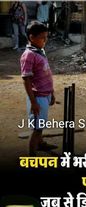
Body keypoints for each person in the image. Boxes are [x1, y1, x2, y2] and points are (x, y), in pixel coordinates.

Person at [20, 21, 57, 156]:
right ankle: (32, 155)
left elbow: (46, 73)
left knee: (40, 125)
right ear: (31, 37)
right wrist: (34, 102)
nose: (45, 40)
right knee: (37, 128)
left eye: (46, 37)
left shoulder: (39, 51)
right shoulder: (28, 55)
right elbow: (26, 79)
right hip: (38, 97)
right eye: (42, 38)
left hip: (45, 95)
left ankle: (40, 144)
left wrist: (51, 93)